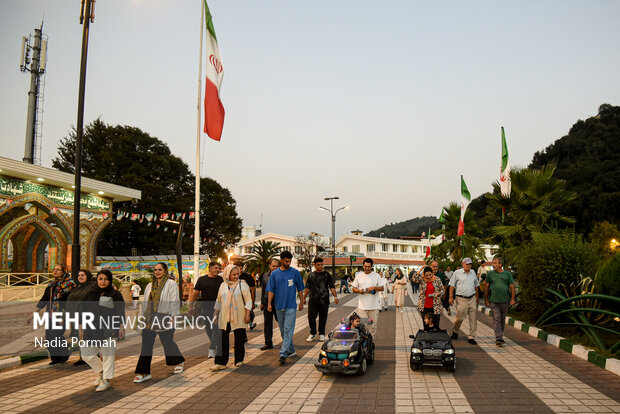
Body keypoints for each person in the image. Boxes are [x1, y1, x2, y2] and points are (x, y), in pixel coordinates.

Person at [134, 262, 185, 383]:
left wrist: (173, 317)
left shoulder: (170, 284)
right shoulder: (149, 285)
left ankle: (178, 361)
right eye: (155, 270)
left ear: (165, 271)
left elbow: (174, 300)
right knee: (146, 346)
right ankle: (144, 372)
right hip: (149, 319)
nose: (157, 272)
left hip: (165, 317)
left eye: (160, 270)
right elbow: (146, 303)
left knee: (167, 342)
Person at [82, 270, 125, 392]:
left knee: (107, 355)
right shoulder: (90, 293)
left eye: (106, 279)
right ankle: (101, 372)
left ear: (110, 280)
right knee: (86, 353)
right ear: (96, 280)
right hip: (92, 328)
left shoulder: (115, 294)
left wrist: (121, 326)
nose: (103, 281)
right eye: (100, 279)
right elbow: (84, 310)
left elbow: (120, 311)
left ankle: (106, 380)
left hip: (109, 327)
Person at [27, 263, 75, 365]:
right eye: (54, 269)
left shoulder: (70, 285)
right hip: (50, 315)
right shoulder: (51, 285)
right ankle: (55, 358)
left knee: (56, 334)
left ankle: (64, 353)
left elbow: (71, 303)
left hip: (62, 315)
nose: (55, 271)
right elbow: (43, 300)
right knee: (49, 336)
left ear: (64, 272)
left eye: (58, 270)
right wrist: (33, 314)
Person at [210, 265, 253, 371]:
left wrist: (247, 314)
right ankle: (220, 362)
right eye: (233, 274)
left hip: (239, 315)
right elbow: (218, 301)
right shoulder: (223, 285)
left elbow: (248, 300)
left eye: (237, 274)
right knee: (222, 339)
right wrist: (215, 315)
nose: (236, 276)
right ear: (227, 274)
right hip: (224, 316)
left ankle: (239, 360)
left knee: (239, 338)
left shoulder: (242, 285)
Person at [266, 251, 305, 365]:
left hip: (291, 306)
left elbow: (300, 288)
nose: (288, 263)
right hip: (278, 306)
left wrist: (302, 301)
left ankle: (283, 354)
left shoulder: (295, 273)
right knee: (283, 331)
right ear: (281, 260)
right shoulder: (274, 274)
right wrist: (269, 304)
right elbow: (271, 290)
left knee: (288, 330)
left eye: (289, 261)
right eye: (286, 261)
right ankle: (291, 350)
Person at [190, 262, 223, 358]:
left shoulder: (221, 280)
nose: (218, 270)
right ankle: (215, 346)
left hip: (218, 309)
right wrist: (191, 306)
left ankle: (212, 348)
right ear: (210, 268)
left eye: (219, 268)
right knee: (208, 329)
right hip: (205, 308)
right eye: (216, 268)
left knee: (216, 328)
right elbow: (195, 293)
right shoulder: (202, 280)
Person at [303, 257, 339, 341]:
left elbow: (332, 287)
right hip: (313, 300)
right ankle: (313, 333)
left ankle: (322, 333)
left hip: (324, 300)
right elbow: (307, 288)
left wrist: (335, 296)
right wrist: (304, 298)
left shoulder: (327, 275)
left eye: (321, 264)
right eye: (318, 265)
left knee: (323, 317)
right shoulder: (311, 275)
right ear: (314, 265)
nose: (320, 266)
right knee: (311, 317)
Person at [484, 257, 516, 347]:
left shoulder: (507, 274)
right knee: (497, 318)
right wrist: (486, 299)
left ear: (500, 264)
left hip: (505, 300)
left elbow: (512, 287)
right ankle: (498, 338)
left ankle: (500, 335)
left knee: (502, 319)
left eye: (495, 263)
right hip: (493, 301)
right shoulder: (490, 274)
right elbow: (486, 286)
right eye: (493, 263)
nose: (493, 265)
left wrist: (513, 299)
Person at [65, 269, 94, 366]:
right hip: (76, 317)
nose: (80, 277)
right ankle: (82, 357)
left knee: (86, 337)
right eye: (79, 275)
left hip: (87, 317)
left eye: (83, 275)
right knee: (79, 337)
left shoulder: (92, 288)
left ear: (88, 276)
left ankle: (91, 357)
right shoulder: (78, 288)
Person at [448, 257, 480, 345]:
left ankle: (471, 336)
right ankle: (455, 331)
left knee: (473, 319)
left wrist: (477, 298)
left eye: (470, 264)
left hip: (472, 298)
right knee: (459, 318)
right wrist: (450, 297)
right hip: (461, 299)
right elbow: (451, 286)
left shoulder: (473, 272)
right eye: (467, 264)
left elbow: (476, 285)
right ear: (463, 264)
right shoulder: (457, 273)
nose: (468, 265)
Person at [350, 258, 385, 336]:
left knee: (373, 327)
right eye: (365, 266)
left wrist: (374, 288)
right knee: (362, 326)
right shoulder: (359, 276)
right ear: (363, 266)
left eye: (369, 266)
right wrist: (359, 291)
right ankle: (364, 343)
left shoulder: (376, 276)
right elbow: (353, 289)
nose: (367, 268)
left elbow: (382, 288)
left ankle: (370, 343)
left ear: (372, 266)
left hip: (374, 306)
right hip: (362, 307)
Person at [411, 266, 445, 331]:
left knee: (436, 323)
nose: (428, 277)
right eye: (426, 275)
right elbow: (413, 278)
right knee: (426, 323)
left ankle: (436, 338)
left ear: (432, 273)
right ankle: (427, 338)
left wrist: (437, 294)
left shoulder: (437, 280)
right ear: (424, 274)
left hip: (435, 305)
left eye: (430, 275)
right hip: (424, 305)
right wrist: (421, 269)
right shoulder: (422, 279)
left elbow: (442, 290)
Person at [259, 259, 279, 350]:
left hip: (279, 302)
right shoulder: (265, 276)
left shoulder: (281, 275)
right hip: (267, 302)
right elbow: (263, 289)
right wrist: (262, 302)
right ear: (269, 266)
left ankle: (287, 343)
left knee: (281, 322)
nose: (275, 268)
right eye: (273, 266)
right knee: (267, 323)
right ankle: (268, 343)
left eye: (276, 266)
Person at [235, 262, 257, 330]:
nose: (239, 270)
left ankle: (250, 324)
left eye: (241, 268)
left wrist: (252, 303)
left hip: (246, 301)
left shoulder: (248, 277)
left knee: (248, 314)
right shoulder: (231, 277)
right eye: (237, 268)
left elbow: (253, 290)